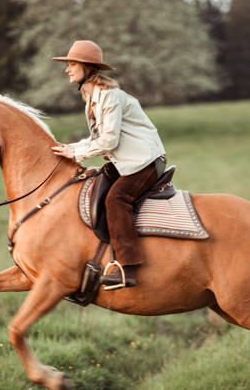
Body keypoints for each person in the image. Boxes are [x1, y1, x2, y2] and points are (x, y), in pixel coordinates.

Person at [51, 40, 166, 290]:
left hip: (145, 162)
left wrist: (75, 152)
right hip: (127, 162)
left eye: (72, 64)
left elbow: (109, 139)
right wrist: (70, 150)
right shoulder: (92, 100)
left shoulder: (110, 97)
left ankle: (128, 268)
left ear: (88, 68)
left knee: (116, 199)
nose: (67, 69)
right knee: (90, 185)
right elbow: (97, 139)